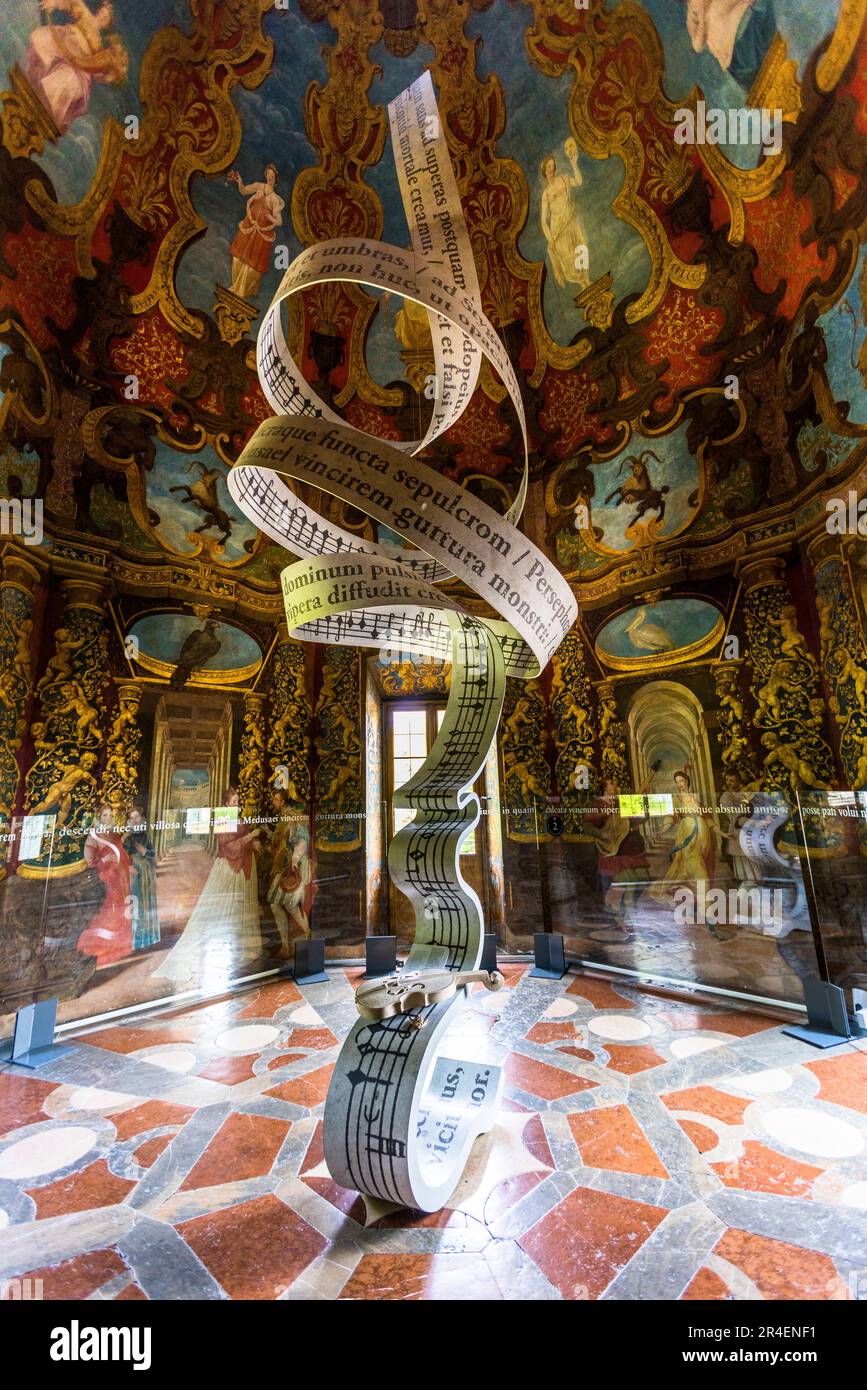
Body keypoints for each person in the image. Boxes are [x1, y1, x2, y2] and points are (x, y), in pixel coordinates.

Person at [153, 787, 264, 989]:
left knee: (240, 908)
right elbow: (227, 846)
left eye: (238, 801)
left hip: (245, 864)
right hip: (230, 867)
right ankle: (223, 947)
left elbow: (240, 840)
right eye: (233, 802)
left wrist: (253, 842)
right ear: (226, 804)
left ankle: (240, 944)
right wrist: (249, 837)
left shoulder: (236, 818)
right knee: (223, 907)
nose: (236, 804)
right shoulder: (223, 818)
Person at [26, 1, 128, 136]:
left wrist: (111, 75)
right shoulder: (86, 15)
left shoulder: (100, 46)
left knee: (69, 81)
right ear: (99, 11)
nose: (103, 17)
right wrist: (53, 3)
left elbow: (96, 69)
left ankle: (45, 112)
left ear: (107, 25)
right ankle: (34, 94)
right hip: (63, 43)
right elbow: (71, 3)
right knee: (43, 40)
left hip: (77, 67)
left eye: (107, 18)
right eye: (104, 13)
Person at [583, 778, 650, 924]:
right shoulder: (598, 805)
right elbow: (586, 826)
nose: (615, 785)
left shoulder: (621, 803)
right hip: (611, 852)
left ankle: (625, 910)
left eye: (615, 783)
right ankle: (623, 913)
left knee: (643, 878)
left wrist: (643, 802)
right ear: (605, 788)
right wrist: (603, 834)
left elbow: (639, 820)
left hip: (627, 850)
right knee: (628, 881)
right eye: (612, 783)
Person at [679, 0, 777, 91]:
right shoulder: (693, 12)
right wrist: (701, 24)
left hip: (742, 26)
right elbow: (697, 46)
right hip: (731, 48)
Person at [78, 805, 133, 968]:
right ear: (99, 817)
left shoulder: (113, 834)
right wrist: (103, 862)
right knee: (110, 907)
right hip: (106, 877)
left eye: (110, 815)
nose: (108, 818)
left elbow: (120, 850)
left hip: (120, 877)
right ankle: (105, 943)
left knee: (121, 906)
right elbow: (89, 858)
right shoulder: (94, 836)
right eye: (105, 815)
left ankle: (119, 941)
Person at [649, 768, 715, 902]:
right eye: (677, 782)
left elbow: (706, 816)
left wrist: (721, 832)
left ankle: (695, 897)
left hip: (703, 838)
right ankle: (706, 906)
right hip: (687, 835)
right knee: (696, 866)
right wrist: (662, 830)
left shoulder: (695, 797)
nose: (679, 784)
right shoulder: (676, 799)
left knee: (696, 866)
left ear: (686, 781)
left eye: (681, 780)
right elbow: (671, 817)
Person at [264, 788, 316, 956]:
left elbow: (302, 840)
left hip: (296, 866)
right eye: (273, 799)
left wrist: (295, 858)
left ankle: (307, 936)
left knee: (291, 904)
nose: (274, 802)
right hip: (285, 866)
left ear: (283, 801)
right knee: (275, 904)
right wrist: (267, 832)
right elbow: (280, 842)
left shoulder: (291, 815)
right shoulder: (282, 817)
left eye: (276, 799)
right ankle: (285, 946)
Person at [226, 164, 284, 301]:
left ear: (276, 179)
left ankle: (242, 291)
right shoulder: (259, 186)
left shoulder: (275, 199)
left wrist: (271, 218)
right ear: (265, 175)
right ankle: (235, 286)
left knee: (252, 264)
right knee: (238, 257)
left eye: (272, 176)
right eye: (268, 174)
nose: (270, 177)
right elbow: (244, 191)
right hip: (249, 226)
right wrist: (239, 181)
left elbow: (279, 221)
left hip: (261, 235)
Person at [540, 141, 589, 290]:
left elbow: (579, 182)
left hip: (571, 220)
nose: (552, 168)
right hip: (559, 230)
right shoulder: (546, 193)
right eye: (549, 166)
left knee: (582, 247)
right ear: (544, 170)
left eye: (553, 165)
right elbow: (543, 221)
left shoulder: (563, 179)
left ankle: (586, 280)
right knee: (569, 259)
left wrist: (574, 164)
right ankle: (582, 284)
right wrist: (550, 239)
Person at [124, 807, 159, 950]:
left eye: (137, 817)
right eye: (132, 818)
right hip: (134, 875)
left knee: (147, 904)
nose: (135, 820)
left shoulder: (146, 835)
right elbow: (121, 856)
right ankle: (135, 939)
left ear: (142, 818)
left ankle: (147, 937)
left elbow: (153, 853)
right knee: (135, 903)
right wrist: (128, 866)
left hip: (147, 874)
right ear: (129, 821)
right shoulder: (127, 837)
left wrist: (145, 851)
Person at [718, 768, 760, 884]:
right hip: (738, 828)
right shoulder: (726, 797)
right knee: (743, 856)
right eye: (727, 780)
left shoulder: (745, 792)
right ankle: (747, 880)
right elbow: (733, 815)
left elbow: (757, 804)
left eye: (732, 780)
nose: (729, 783)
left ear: (739, 781)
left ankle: (755, 880)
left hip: (750, 828)